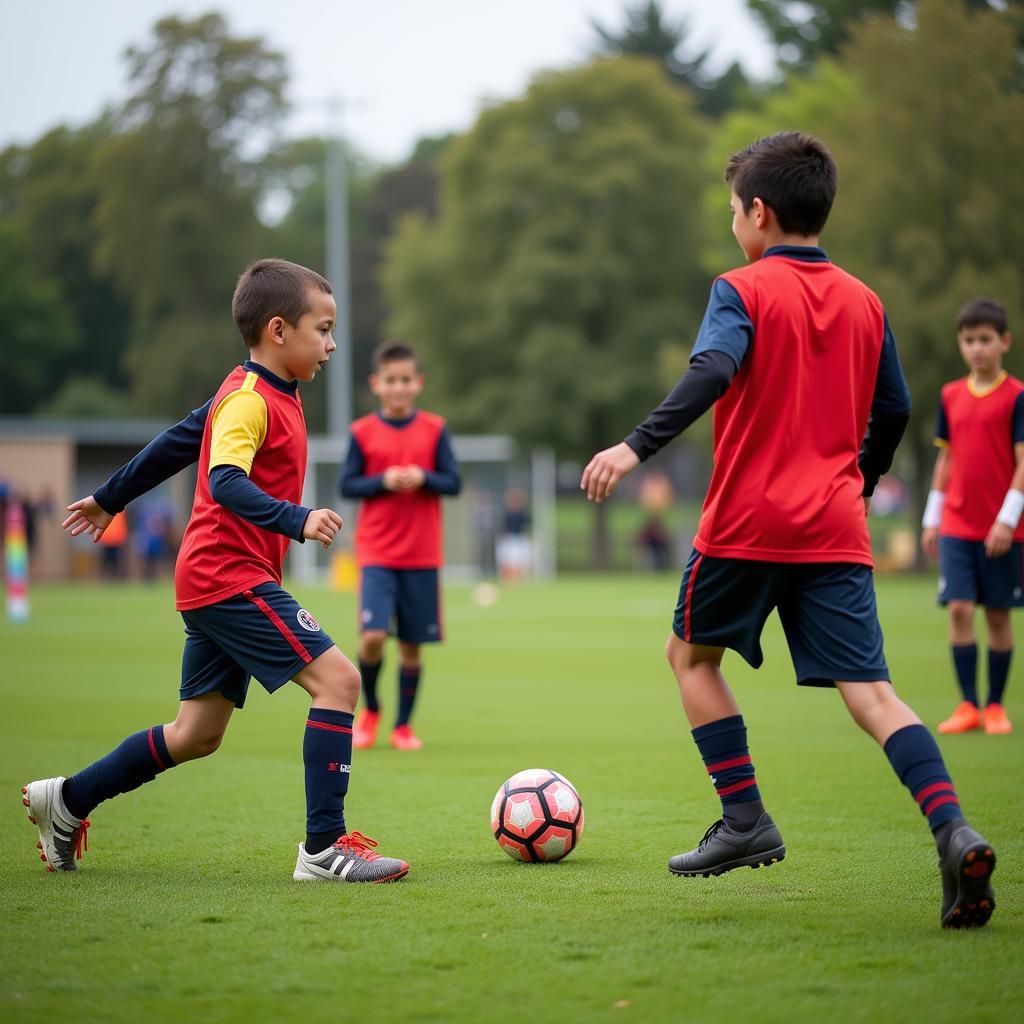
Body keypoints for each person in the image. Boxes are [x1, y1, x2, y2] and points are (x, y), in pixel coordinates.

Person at [581, 132, 996, 929]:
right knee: (874, 695)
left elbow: (712, 370)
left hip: (745, 523)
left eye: (734, 211)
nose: (734, 224)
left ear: (759, 213)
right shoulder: (867, 301)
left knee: (689, 656)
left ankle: (744, 819)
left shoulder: (740, 289)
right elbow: (898, 409)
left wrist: (633, 447)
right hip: (835, 529)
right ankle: (952, 829)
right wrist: (861, 482)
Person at [23, 258, 408, 884]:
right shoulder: (251, 399)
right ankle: (323, 848)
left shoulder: (255, 389)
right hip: (229, 576)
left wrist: (109, 497)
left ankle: (65, 801)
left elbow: (179, 441)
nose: (333, 344)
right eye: (324, 329)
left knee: (196, 733)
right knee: (339, 682)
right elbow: (224, 481)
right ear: (278, 330)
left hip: (216, 578)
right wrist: (297, 518)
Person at [340, 340, 461, 751]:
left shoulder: (435, 429)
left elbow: (453, 481)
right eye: (391, 380)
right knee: (372, 635)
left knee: (411, 645)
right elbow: (347, 485)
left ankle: (403, 727)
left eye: (406, 380)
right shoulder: (361, 432)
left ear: (418, 383)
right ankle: (371, 710)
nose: (398, 387)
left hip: (422, 555)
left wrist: (424, 477)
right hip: (376, 553)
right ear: (376, 384)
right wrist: (384, 481)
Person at [921, 299, 1021, 736]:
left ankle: (996, 706)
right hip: (958, 526)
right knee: (959, 608)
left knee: (997, 615)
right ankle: (967, 705)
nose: (976, 348)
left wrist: (1007, 519)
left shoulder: (1017, 397)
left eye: (984, 339)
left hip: (1001, 529)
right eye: (968, 340)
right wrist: (932, 517)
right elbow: (945, 460)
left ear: (1004, 342)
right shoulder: (950, 395)